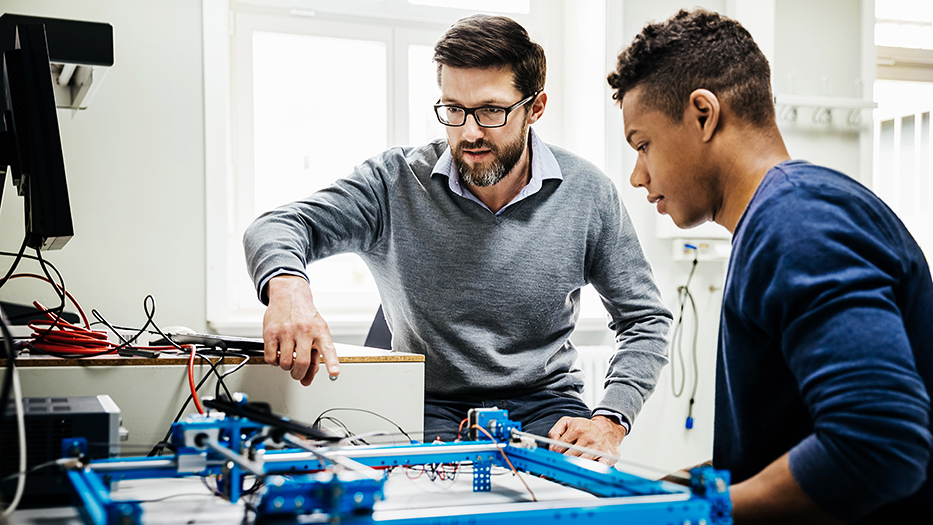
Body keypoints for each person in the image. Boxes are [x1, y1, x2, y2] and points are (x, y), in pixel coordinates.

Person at [243, 14, 672, 462]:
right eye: (453, 109)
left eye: (491, 111)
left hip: (548, 409)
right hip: (426, 407)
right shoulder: (394, 183)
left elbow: (645, 319)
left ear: (536, 107)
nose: (468, 133)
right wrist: (288, 287)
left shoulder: (587, 192)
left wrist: (610, 420)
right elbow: (276, 226)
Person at [608, 8, 933, 523]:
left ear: (703, 113)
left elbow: (878, 440)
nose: (636, 175)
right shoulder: (783, 217)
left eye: (643, 144)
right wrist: (679, 488)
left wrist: (698, 514)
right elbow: (792, 436)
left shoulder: (798, 221)